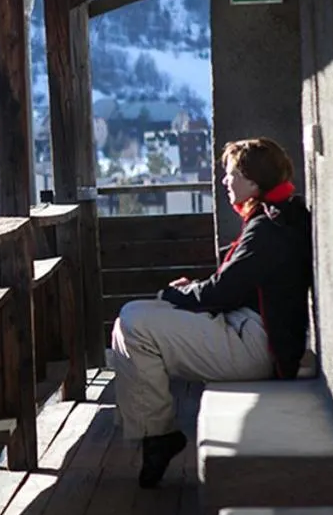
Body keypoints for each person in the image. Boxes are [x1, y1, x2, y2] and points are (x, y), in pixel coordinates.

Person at [108, 137, 313, 488]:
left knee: (133, 322)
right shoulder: (279, 215)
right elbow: (236, 283)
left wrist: (176, 293)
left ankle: (156, 434)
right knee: (132, 318)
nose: (224, 180)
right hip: (255, 332)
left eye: (231, 173)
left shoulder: (268, 228)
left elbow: (222, 291)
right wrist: (186, 291)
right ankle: (153, 434)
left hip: (256, 345)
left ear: (253, 182)